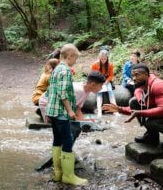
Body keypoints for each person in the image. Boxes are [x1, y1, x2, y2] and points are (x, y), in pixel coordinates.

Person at [103, 63, 163, 149]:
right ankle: (152, 136)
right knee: (133, 102)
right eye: (133, 76)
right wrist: (120, 109)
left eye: (137, 75)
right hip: (161, 109)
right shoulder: (142, 86)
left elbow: (162, 111)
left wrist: (140, 112)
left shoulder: (158, 85)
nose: (134, 78)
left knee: (150, 122)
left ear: (146, 75)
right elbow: (137, 109)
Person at [45, 43, 87, 186]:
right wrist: (70, 110)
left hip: (53, 111)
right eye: (75, 58)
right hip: (61, 112)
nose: (75, 61)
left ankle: (58, 173)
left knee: (57, 140)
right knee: (67, 141)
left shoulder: (56, 69)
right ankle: (68, 176)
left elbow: (51, 91)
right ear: (69, 56)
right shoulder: (65, 70)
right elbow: (63, 93)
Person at [91, 49, 117, 117]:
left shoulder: (110, 65)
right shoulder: (94, 64)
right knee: (99, 94)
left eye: (105, 59)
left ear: (107, 58)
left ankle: (114, 110)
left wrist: (106, 82)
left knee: (110, 92)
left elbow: (111, 75)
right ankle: (99, 111)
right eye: (102, 59)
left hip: (106, 81)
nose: (103, 61)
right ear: (99, 58)